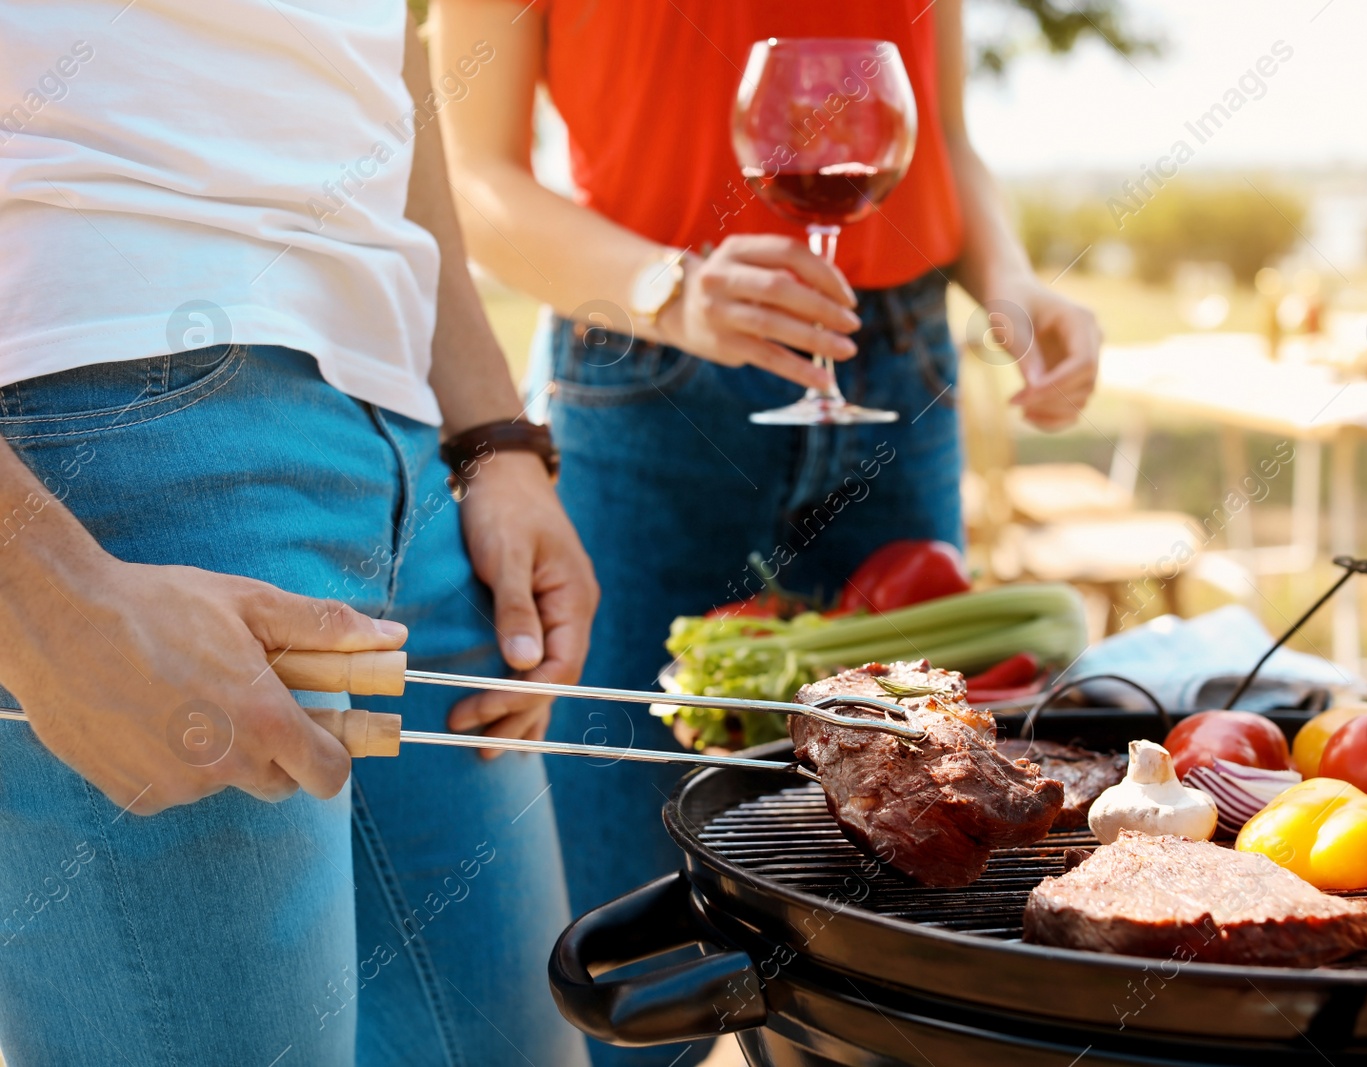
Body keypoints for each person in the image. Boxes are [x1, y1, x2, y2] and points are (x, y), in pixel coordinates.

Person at [435, 2, 1101, 1064]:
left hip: (896, 363)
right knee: (628, 920)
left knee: (911, 887)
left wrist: (1009, 283)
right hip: (646, 373)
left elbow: (944, 138)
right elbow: (476, 181)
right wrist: (677, 291)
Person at [0, 4, 596, 1064]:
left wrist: (493, 433)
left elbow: (386, 53)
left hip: (408, 444)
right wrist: (45, 591)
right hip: (114, 453)